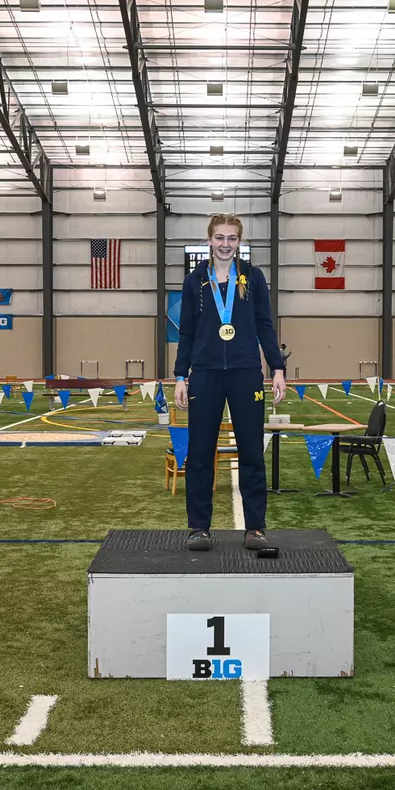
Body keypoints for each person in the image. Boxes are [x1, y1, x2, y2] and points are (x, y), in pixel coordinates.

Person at [173, 213, 286, 551]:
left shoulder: (252, 278)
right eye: (219, 237)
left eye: (232, 238)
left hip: (246, 372)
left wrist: (277, 368)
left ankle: (255, 528)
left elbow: (265, 324)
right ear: (210, 240)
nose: (225, 244)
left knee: (251, 450)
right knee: (199, 452)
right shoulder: (195, 281)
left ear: (239, 242)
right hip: (205, 374)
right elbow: (187, 333)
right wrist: (181, 375)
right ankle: (198, 527)